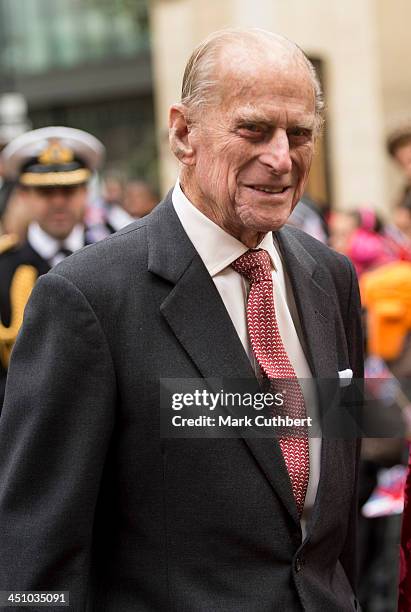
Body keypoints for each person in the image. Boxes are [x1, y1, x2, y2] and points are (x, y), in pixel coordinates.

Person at [0, 29, 363, 611]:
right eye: (254, 129)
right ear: (183, 133)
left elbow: (332, 509)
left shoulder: (331, 278)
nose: (281, 158)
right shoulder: (87, 297)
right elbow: (35, 550)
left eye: (299, 134)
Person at [0, 126, 105, 405]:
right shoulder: (4, 268)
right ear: (23, 194)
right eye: (45, 191)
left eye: (69, 189)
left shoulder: (113, 260)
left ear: (86, 191)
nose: (59, 202)